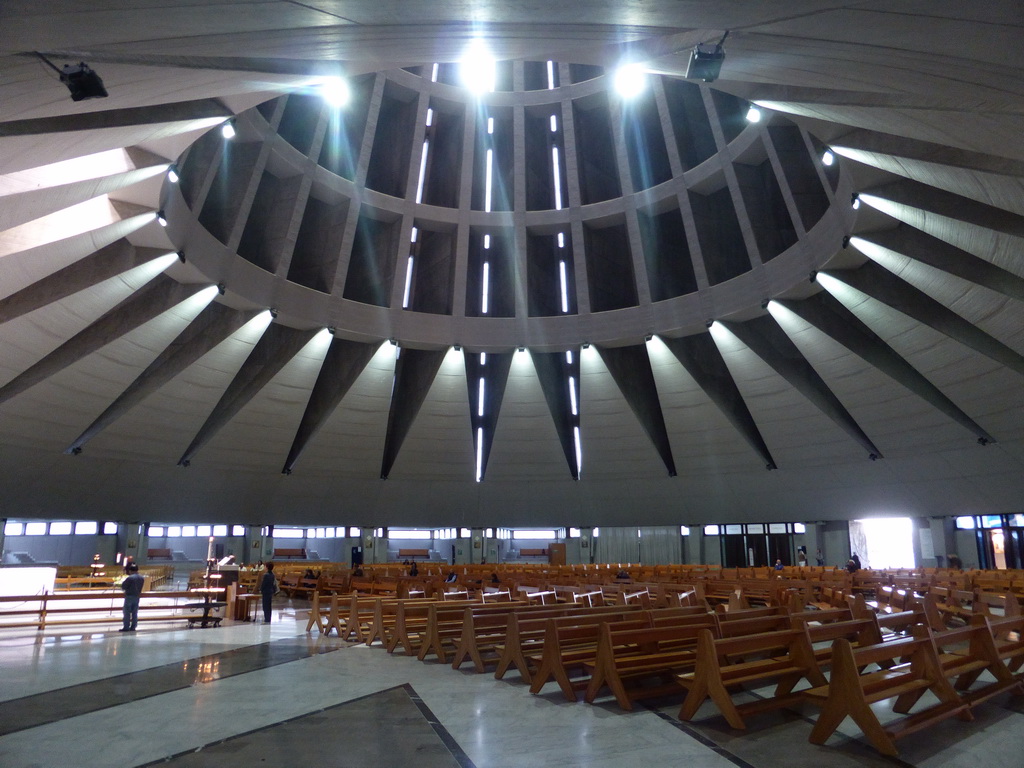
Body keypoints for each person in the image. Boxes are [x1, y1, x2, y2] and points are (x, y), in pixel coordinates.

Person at [120, 563, 144, 632]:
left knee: (127, 612)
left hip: (129, 596)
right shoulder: (141, 578)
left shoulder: (130, 578)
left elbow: (124, 586)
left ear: (130, 570)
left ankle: (126, 627)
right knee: (134, 612)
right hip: (137, 596)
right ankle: (133, 626)